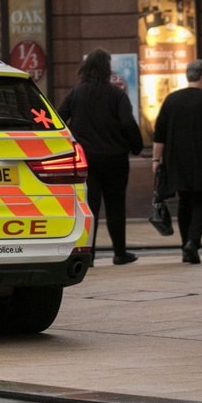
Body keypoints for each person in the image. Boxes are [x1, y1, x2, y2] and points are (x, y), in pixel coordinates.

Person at [58, 49, 143, 265]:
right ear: (107, 69)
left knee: (90, 207)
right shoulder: (116, 95)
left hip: (87, 159)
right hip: (115, 159)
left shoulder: (76, 93)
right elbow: (127, 123)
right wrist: (136, 146)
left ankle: (89, 254)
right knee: (116, 205)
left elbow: (59, 117)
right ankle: (120, 252)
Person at [152, 59, 202, 264]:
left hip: (177, 161)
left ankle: (185, 245)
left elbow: (159, 133)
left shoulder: (171, 100)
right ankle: (192, 242)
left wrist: (156, 160)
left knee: (185, 202)